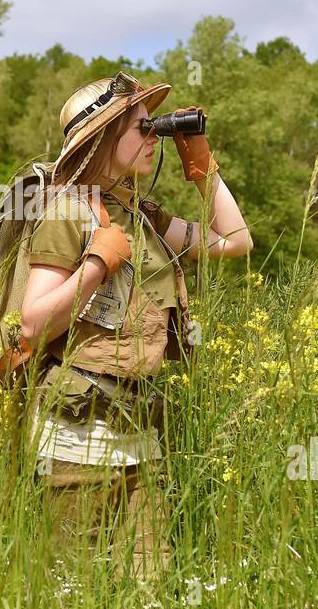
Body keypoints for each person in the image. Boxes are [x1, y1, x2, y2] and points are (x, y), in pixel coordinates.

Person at [19, 72, 252, 580]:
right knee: (74, 595)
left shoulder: (141, 215)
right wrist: (96, 265)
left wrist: (201, 162)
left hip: (140, 435)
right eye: (142, 128)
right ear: (103, 136)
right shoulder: (67, 213)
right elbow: (32, 326)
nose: (154, 138)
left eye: (156, 129)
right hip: (77, 439)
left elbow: (234, 240)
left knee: (144, 594)